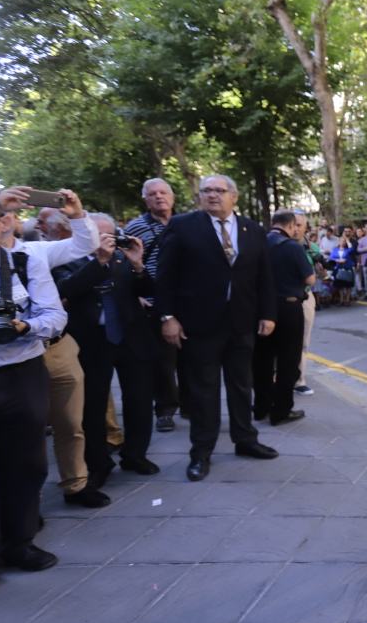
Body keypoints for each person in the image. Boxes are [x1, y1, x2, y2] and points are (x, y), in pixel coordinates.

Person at [155, 174, 279, 482]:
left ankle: (245, 439)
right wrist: (167, 317)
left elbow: (264, 276)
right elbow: (165, 275)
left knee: (241, 384)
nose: (212, 195)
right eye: (206, 190)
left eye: (219, 190)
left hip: (242, 323)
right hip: (199, 325)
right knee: (203, 391)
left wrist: (268, 313)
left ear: (233, 196)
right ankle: (201, 452)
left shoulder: (252, 229)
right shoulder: (183, 226)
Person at [0, 190, 104, 507]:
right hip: (8, 361)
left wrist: (76, 214)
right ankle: (25, 506)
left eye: (8, 213)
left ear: (15, 220)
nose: (4, 217)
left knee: (70, 423)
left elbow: (85, 245)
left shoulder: (35, 252)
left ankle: (76, 483)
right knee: (23, 435)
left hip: (56, 349)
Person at [0, 192, 67, 577]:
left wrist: (25, 326)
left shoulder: (24, 261)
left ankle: (19, 543)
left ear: (3, 223)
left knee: (25, 462)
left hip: (21, 371)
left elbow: (54, 315)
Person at [54, 213, 161, 483]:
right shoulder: (66, 259)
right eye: (98, 236)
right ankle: (98, 463)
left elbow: (148, 288)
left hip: (130, 335)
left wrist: (138, 266)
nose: (106, 241)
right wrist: (99, 261)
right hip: (91, 340)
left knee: (139, 398)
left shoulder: (123, 257)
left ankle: (135, 454)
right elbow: (67, 289)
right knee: (93, 403)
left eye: (110, 235)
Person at [125, 178, 181, 433]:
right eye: (153, 194)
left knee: (192, 358)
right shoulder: (135, 227)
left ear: (172, 197)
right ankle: (165, 409)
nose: (159, 197)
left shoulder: (187, 223)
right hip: (155, 302)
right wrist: (135, 294)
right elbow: (123, 262)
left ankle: (191, 403)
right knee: (162, 361)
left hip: (188, 302)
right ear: (145, 199)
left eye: (163, 192)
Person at [253, 210, 314, 426]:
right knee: (288, 360)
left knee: (262, 360)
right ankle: (281, 410)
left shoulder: (257, 243)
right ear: (290, 226)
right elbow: (310, 278)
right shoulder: (292, 247)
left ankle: (260, 407)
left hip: (261, 309)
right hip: (288, 307)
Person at [294, 211, 317, 397]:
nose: (295, 229)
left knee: (303, 341)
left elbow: (317, 276)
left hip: (305, 297)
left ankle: (299, 379)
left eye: (299, 225)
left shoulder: (310, 247)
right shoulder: (276, 244)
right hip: (282, 299)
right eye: (292, 224)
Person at [329, 233, 356, 306]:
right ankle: (341, 299)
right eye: (341, 241)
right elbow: (331, 257)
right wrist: (337, 260)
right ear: (339, 242)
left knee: (348, 285)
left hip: (347, 268)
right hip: (338, 268)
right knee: (340, 285)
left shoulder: (347, 250)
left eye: (344, 241)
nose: (342, 242)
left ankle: (347, 299)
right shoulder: (335, 249)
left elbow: (352, 249)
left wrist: (347, 240)